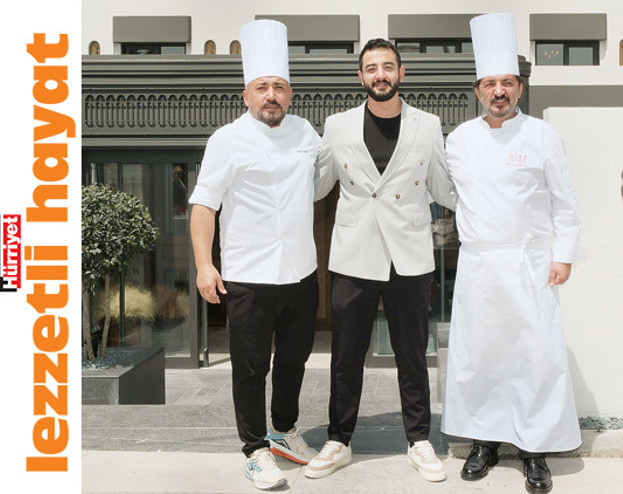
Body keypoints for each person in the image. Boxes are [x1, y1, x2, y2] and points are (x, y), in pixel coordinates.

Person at [441, 13, 583, 494]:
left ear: (519, 88)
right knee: (480, 356)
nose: (498, 91)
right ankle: (483, 442)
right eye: (490, 84)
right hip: (479, 264)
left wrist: (563, 255)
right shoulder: (459, 140)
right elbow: (449, 194)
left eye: (507, 82)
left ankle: (534, 449)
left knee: (534, 356)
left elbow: (565, 202)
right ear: (478, 90)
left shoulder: (542, 135)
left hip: (530, 263)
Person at [304, 38, 456, 482]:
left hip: (409, 253)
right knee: (345, 355)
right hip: (354, 255)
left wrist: (494, 205)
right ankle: (339, 439)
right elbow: (316, 186)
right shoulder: (337, 126)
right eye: (371, 68)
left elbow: (444, 187)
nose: (380, 75)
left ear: (401, 73)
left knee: (413, 353)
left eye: (388, 66)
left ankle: (419, 439)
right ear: (361, 77)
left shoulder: (428, 125)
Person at [188, 19, 319, 490]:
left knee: (293, 361)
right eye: (262, 87)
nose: (271, 95)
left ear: (290, 94)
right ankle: (254, 449)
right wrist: (205, 264)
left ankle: (283, 432)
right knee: (250, 368)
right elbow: (204, 205)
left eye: (279, 87)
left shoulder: (306, 132)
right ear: (246, 95)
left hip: (301, 273)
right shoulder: (226, 139)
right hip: (247, 276)